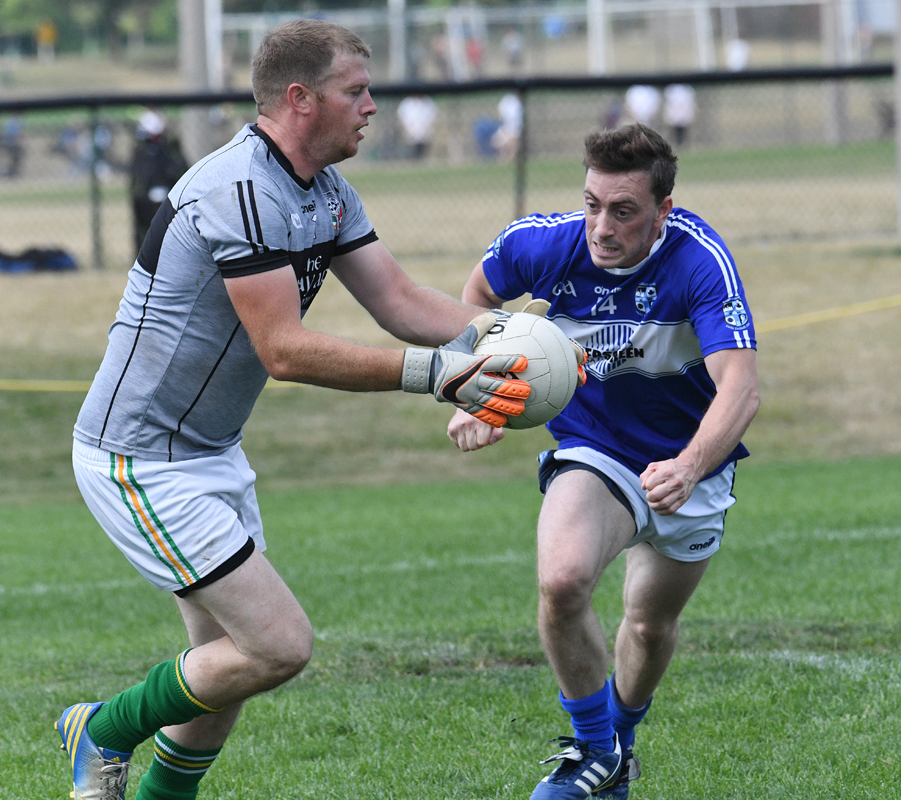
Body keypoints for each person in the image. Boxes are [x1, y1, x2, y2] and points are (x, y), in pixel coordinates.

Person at [57, 20, 550, 800]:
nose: (372, 107)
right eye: (355, 91)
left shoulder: (324, 191)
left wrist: (509, 336)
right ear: (300, 98)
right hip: (139, 458)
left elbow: (395, 299)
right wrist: (441, 375)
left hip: (209, 452)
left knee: (225, 671)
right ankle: (105, 729)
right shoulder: (239, 190)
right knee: (278, 645)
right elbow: (284, 349)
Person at [447, 123, 759, 799]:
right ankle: (591, 749)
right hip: (594, 446)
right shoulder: (543, 243)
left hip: (687, 461)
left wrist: (691, 464)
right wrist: (482, 389)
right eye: (592, 204)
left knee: (649, 625)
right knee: (562, 583)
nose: (602, 226)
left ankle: (618, 745)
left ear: (662, 212)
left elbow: (742, 386)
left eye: (623, 211)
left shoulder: (698, 259)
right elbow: (470, 301)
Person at [129, 110, 188, 253]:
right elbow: (137, 183)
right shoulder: (140, 153)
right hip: (146, 202)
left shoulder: (172, 151)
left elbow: (181, 172)